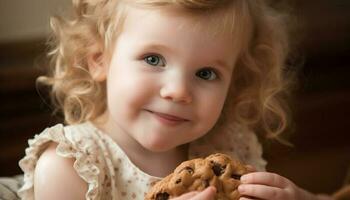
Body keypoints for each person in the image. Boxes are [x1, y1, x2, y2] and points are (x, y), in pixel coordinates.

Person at [17, 0, 334, 199]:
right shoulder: (70, 167)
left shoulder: (229, 146)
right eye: (153, 59)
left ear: (234, 82)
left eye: (207, 73)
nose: (178, 91)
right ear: (100, 59)